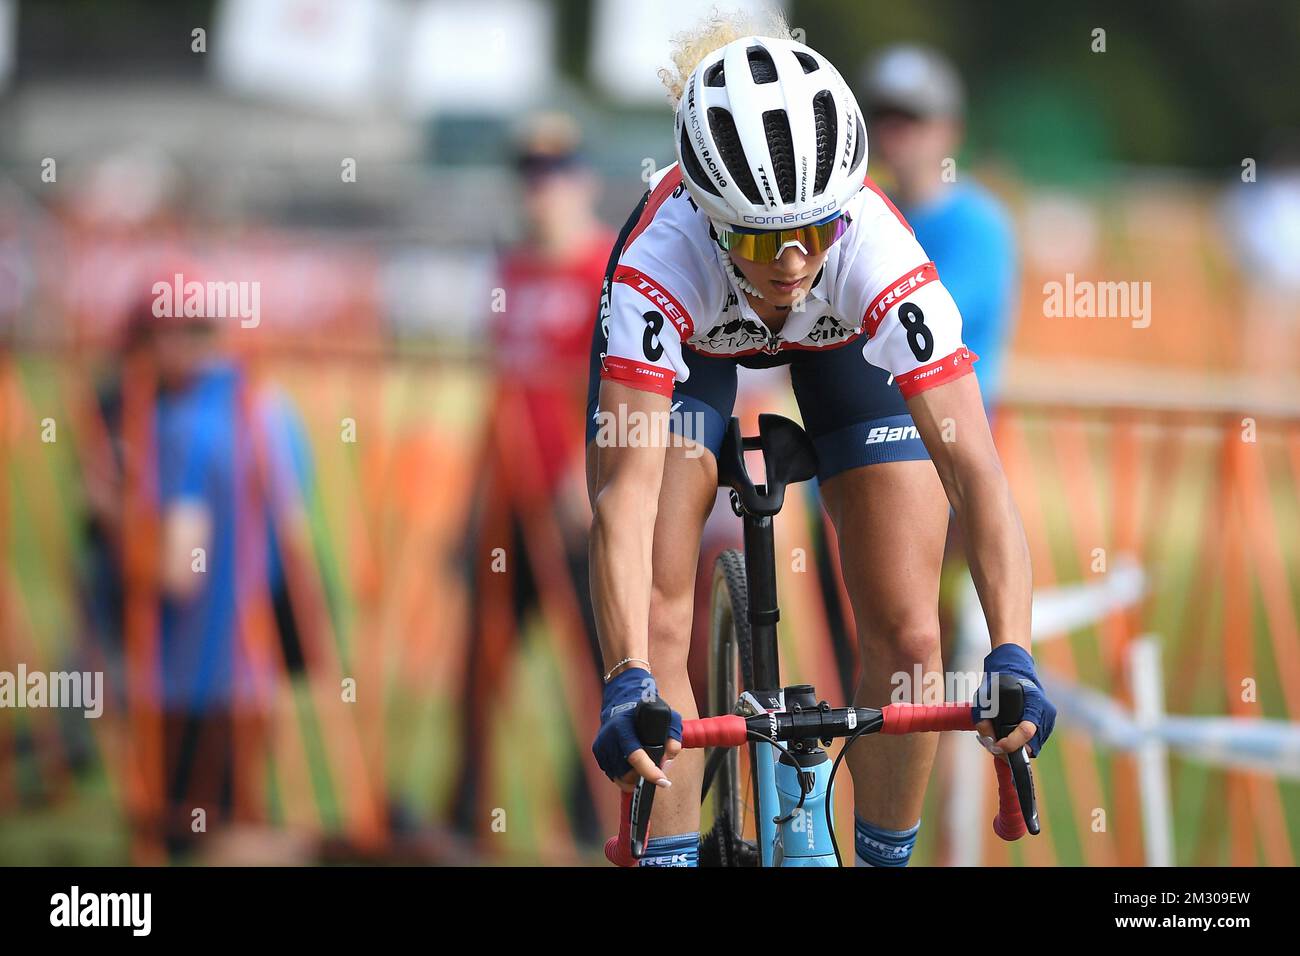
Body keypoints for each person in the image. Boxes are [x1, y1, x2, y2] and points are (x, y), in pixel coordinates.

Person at [585, 13, 1055, 868]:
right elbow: (623, 500)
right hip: (694, 349)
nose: (794, 263)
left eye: (817, 231)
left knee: (911, 635)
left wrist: (1013, 653)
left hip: (844, 347)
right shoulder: (660, 266)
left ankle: (880, 858)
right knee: (657, 622)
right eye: (765, 239)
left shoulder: (878, 253)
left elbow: (978, 478)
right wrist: (625, 682)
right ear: (710, 215)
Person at [82, 285, 312, 859]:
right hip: (254, 670)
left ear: (170, 342)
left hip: (188, 679)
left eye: (140, 347)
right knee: (240, 823)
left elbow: (180, 568)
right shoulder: (275, 409)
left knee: (194, 841)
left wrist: (112, 512)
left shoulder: (178, 426)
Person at [449, 115, 615, 847]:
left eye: (553, 173)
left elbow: (623, 386)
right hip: (510, 500)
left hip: (581, 501)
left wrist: (589, 471)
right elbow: (501, 390)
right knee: (479, 663)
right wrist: (475, 499)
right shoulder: (509, 270)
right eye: (528, 174)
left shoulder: (607, 267)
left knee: (597, 667)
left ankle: (594, 823)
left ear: (582, 180)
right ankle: (464, 816)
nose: (539, 189)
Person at [860, 44, 1018, 404]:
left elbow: (915, 323)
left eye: (910, 119)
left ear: (951, 130)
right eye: (883, 116)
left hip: (952, 423)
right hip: (884, 418)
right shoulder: (871, 210)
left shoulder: (979, 226)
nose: (892, 132)